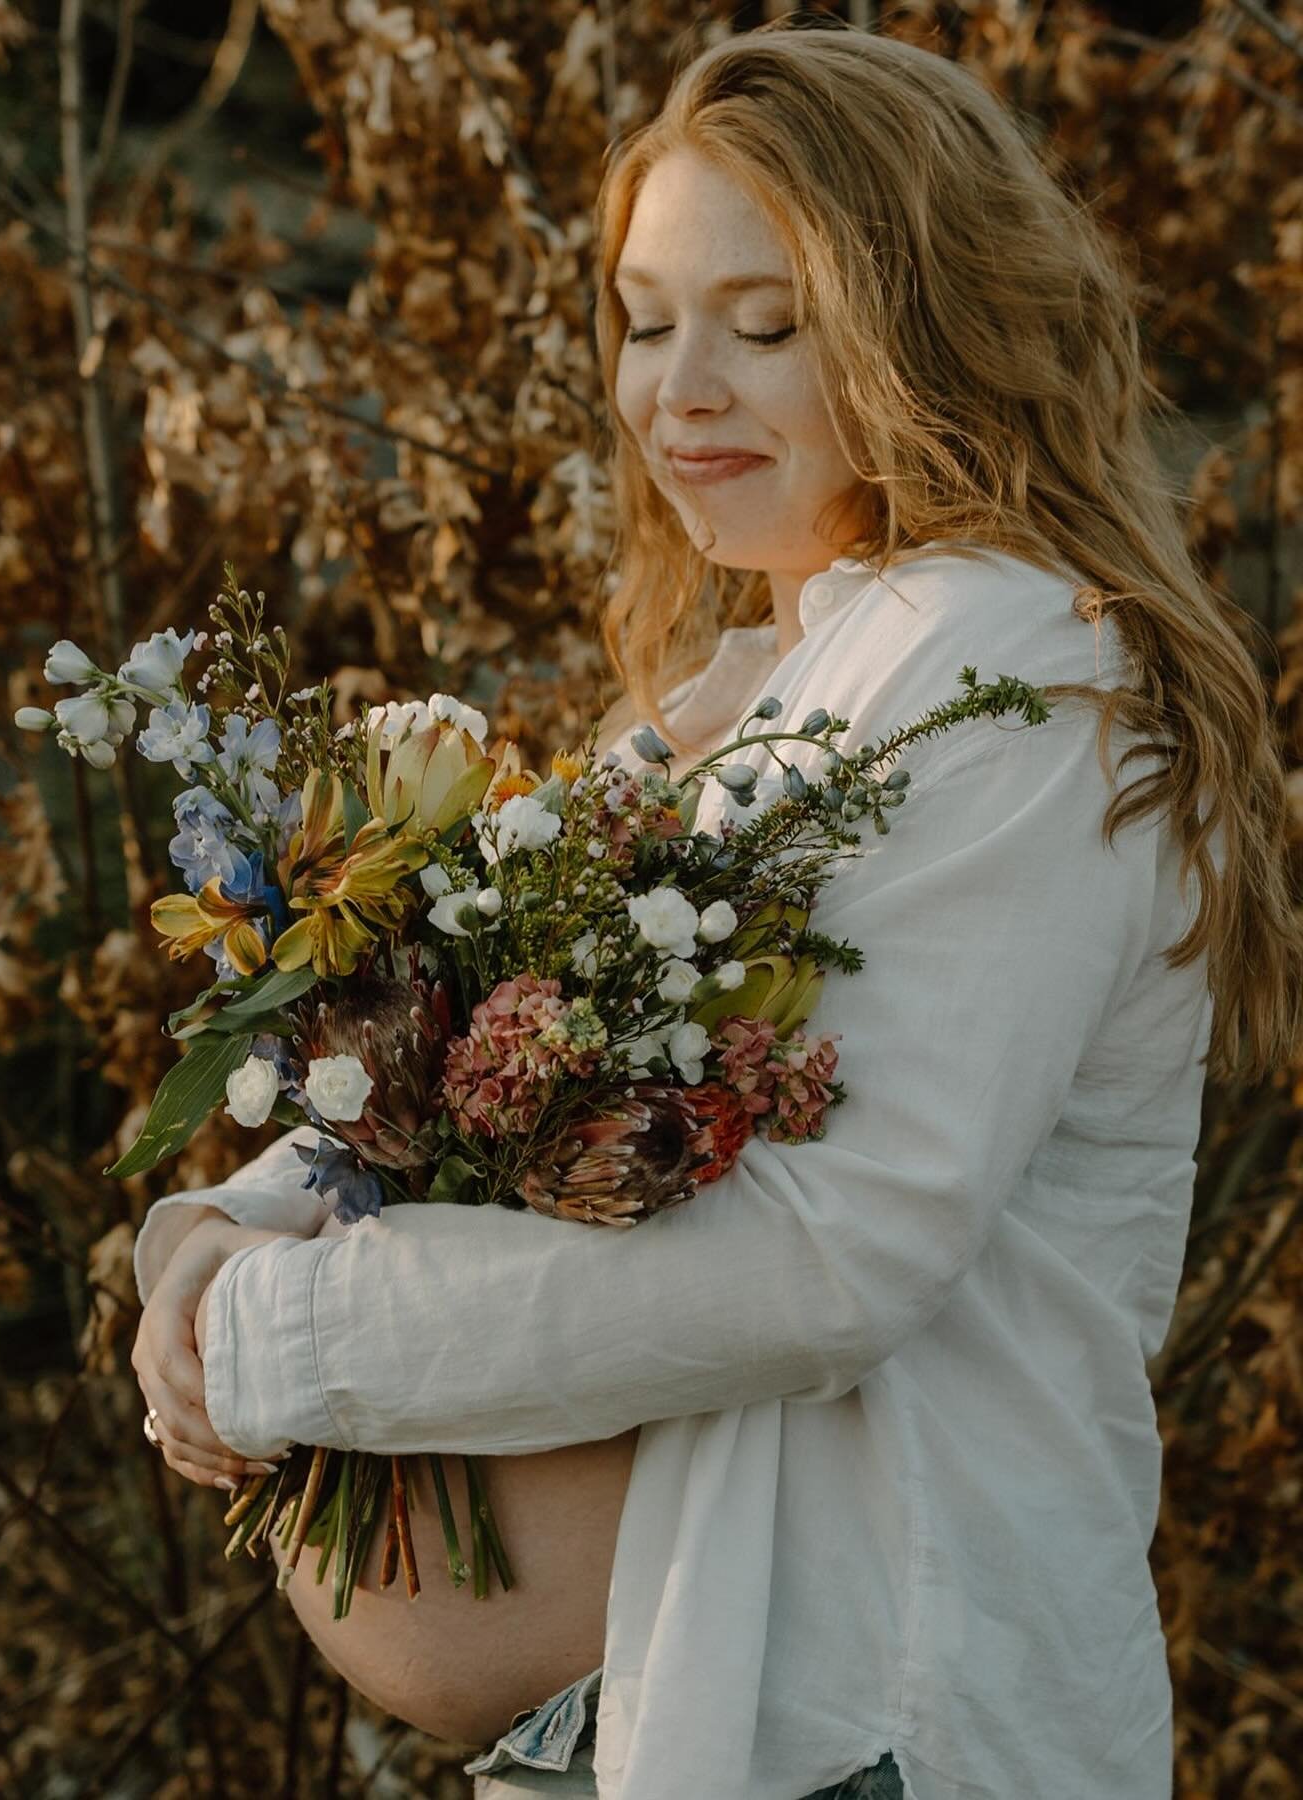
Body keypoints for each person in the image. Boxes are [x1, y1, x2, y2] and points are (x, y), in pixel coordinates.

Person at [130, 17, 1302, 1800]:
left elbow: (834, 1252)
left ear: (935, 326)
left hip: (861, 1715)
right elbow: (453, 1074)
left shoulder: (1010, 678)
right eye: (645, 315)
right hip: (668, 1715)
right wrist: (207, 1230)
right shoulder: (775, 678)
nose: (680, 387)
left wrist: (265, 1336)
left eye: (765, 326)